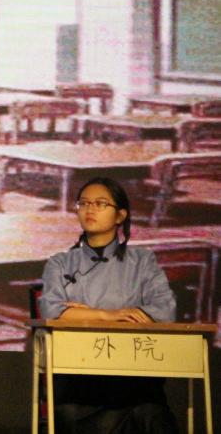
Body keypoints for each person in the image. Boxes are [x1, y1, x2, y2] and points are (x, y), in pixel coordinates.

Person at [39, 177, 178, 434]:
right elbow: (52, 311)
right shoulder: (60, 263)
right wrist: (112, 315)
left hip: (133, 381)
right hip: (78, 384)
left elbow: (164, 310)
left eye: (101, 203)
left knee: (153, 415)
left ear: (120, 215)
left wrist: (81, 313)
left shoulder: (142, 261)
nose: (89, 210)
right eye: (83, 203)